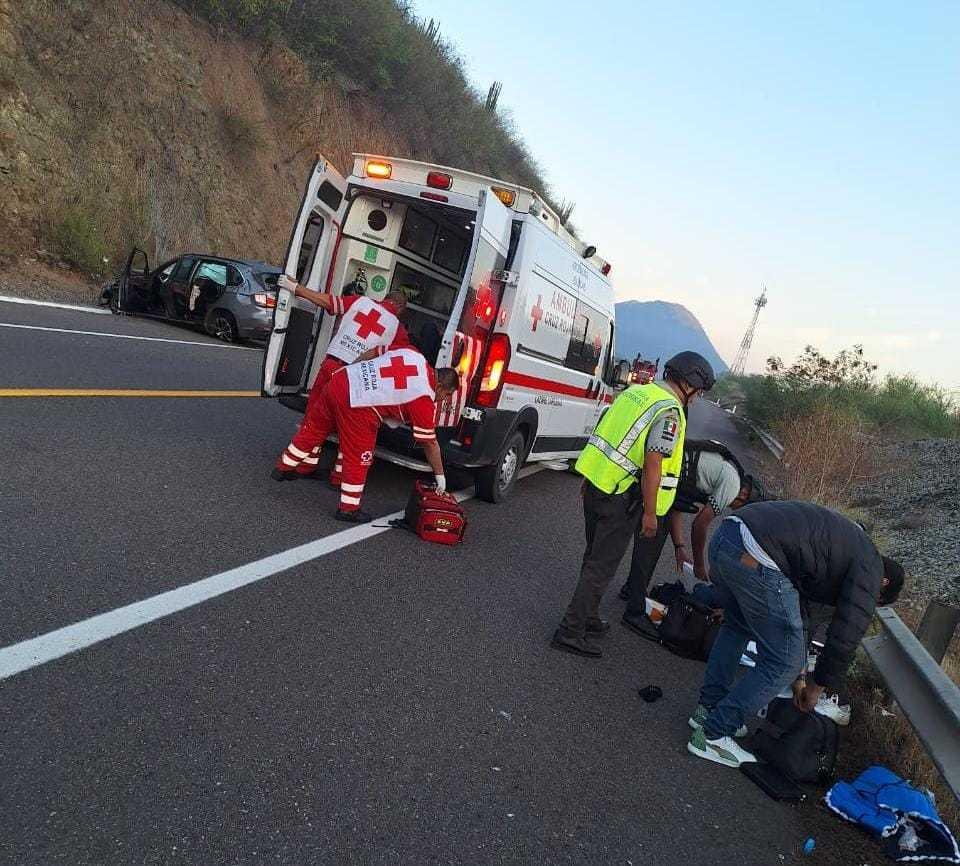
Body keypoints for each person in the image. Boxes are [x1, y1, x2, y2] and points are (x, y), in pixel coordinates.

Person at [686, 500, 906, 768]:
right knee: (783, 662)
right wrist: (815, 687)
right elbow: (843, 639)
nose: (871, 603)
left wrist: (800, 678)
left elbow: (801, 617)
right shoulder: (870, 573)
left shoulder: (844, 549)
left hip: (728, 536)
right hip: (760, 557)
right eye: (876, 601)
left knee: (737, 625)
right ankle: (713, 734)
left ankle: (707, 710)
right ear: (883, 585)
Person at [551, 352, 717, 658]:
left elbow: (605, 433)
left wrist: (588, 478)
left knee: (594, 558)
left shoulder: (637, 393)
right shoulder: (669, 412)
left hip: (597, 484)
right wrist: (651, 513)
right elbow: (654, 462)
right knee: (601, 566)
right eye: (700, 391)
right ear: (690, 382)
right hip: (622, 497)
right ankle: (570, 631)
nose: (697, 398)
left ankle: (587, 615)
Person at [272, 348, 459, 524]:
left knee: (314, 430)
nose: (443, 400)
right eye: (446, 395)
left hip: (341, 380)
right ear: (440, 386)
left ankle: (283, 467)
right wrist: (440, 476)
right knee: (360, 456)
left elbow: (373, 351)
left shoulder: (413, 354)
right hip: (359, 406)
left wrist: (352, 369)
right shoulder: (422, 398)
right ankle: (348, 508)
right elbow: (430, 443)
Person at [620, 440, 768, 632]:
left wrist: (679, 547)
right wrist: (699, 564)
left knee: (655, 539)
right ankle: (634, 610)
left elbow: (676, 506)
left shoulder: (723, 476)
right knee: (651, 543)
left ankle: (631, 590)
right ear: (744, 496)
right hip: (659, 477)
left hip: (667, 480)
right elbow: (700, 524)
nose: (735, 510)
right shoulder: (733, 486)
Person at [277, 275, 413, 481]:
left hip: (330, 364)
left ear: (385, 298)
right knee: (348, 427)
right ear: (401, 308)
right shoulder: (398, 329)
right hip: (351, 379)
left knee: (313, 418)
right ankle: (338, 477)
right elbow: (400, 360)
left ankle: (305, 466)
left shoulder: (361, 302)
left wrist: (296, 288)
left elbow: (327, 302)